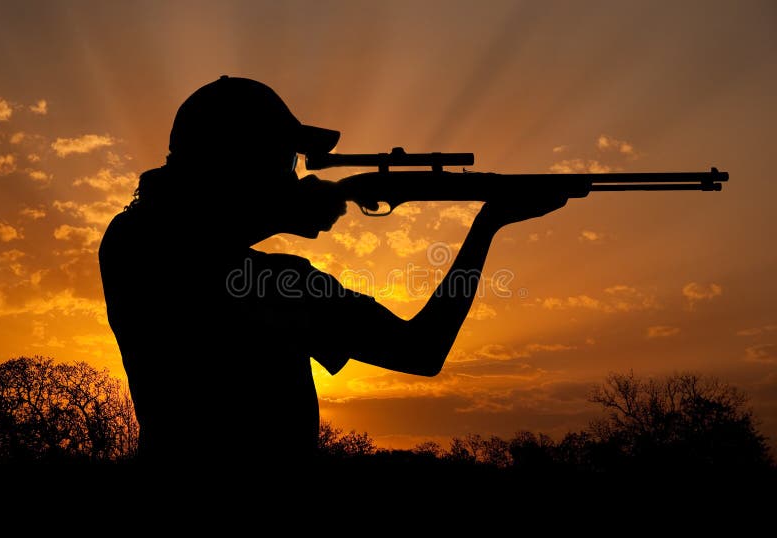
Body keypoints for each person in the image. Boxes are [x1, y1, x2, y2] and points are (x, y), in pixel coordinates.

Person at [99, 76, 568, 464]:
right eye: (284, 163)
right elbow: (422, 351)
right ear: (241, 163)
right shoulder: (278, 283)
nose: (294, 177)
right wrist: (487, 225)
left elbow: (187, 229)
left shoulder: (127, 241)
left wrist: (285, 212)